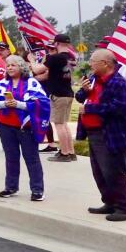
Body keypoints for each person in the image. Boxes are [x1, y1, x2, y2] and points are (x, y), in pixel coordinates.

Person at [76, 49, 126, 221]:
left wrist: (90, 109)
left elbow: (119, 108)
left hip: (111, 134)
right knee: (100, 172)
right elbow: (80, 97)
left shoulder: (119, 83)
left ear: (106, 63)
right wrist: (85, 90)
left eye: (93, 61)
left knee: (113, 172)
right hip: (94, 133)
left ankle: (125, 208)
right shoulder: (95, 79)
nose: (90, 64)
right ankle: (110, 202)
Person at [0, 55, 50, 201]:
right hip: (5, 126)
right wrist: (3, 104)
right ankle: (11, 187)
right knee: (11, 158)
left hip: (25, 127)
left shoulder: (32, 83)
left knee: (31, 159)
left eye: (13, 65)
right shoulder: (2, 83)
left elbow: (43, 103)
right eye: (8, 65)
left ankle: (37, 190)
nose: (9, 68)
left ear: (21, 67)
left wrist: (19, 105)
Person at [42, 33, 79, 162]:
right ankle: (70, 151)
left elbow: (38, 69)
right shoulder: (71, 57)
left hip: (58, 94)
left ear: (56, 44)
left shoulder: (55, 58)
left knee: (58, 124)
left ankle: (64, 153)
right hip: (68, 92)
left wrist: (30, 61)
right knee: (64, 123)